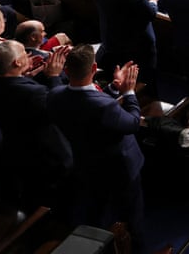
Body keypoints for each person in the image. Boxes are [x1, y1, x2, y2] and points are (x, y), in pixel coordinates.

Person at [48, 47, 145, 240]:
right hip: (119, 165)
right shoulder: (104, 106)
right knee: (131, 207)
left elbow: (89, 106)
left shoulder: (55, 94)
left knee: (98, 204)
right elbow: (133, 122)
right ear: (94, 67)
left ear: (66, 70)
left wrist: (114, 87)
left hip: (86, 160)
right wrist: (129, 93)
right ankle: (135, 241)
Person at [94, 0, 160, 83]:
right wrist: (153, 0)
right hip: (135, 45)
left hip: (112, 38)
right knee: (143, 80)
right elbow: (150, 14)